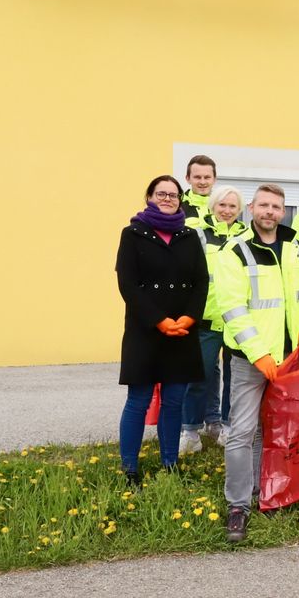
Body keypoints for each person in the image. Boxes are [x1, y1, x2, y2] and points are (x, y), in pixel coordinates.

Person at [215, 184, 299, 543]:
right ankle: (237, 506)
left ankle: (265, 492)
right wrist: (258, 353)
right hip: (250, 360)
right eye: (264, 205)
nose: (270, 211)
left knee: (271, 430)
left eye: (277, 206)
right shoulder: (235, 251)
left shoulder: (293, 248)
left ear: (284, 211)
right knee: (242, 432)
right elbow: (233, 308)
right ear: (252, 209)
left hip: (288, 358)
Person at [114, 175, 208, 486]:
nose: (167, 198)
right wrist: (159, 320)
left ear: (181, 200)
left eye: (173, 194)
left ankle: (170, 463)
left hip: (182, 331)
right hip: (145, 330)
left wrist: (190, 317)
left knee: (174, 401)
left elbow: (200, 282)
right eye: (161, 194)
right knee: (138, 401)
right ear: (150, 197)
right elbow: (127, 284)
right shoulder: (133, 234)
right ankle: (130, 469)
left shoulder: (189, 236)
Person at [180, 184, 250, 455]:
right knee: (199, 376)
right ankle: (190, 431)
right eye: (222, 205)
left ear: (240, 210)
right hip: (206, 319)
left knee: (236, 380)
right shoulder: (197, 233)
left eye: (233, 206)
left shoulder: (246, 235)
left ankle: (228, 426)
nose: (227, 210)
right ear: (212, 206)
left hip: (236, 321)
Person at [180, 155, 217, 227]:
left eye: (207, 177)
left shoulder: (223, 207)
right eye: (197, 177)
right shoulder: (177, 206)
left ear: (214, 179)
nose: (202, 182)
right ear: (188, 179)